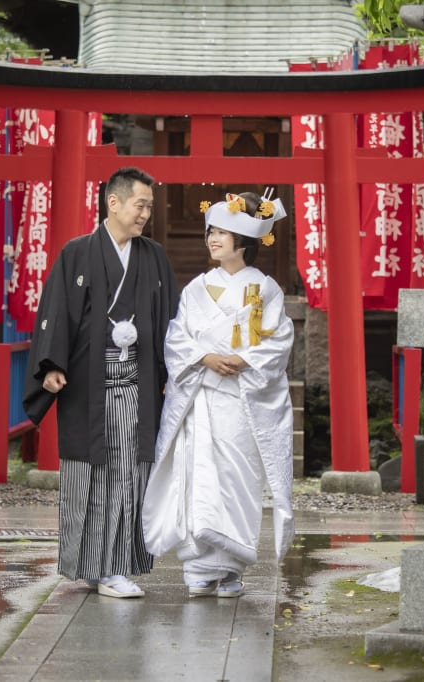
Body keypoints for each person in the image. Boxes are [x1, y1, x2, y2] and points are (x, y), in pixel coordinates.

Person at [23, 166, 179, 599]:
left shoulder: (154, 257)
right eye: (140, 204)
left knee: (129, 473)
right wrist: (51, 365)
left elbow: (172, 322)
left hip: (137, 385)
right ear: (114, 202)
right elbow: (54, 312)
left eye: (150, 206)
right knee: (93, 473)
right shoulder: (77, 253)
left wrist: (173, 373)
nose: (146, 213)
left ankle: (115, 566)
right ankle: (97, 567)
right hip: (90, 387)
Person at [141, 189, 295, 598]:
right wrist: (205, 356)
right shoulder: (195, 289)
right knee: (198, 478)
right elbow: (176, 339)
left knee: (237, 478)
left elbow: (279, 341)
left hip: (240, 402)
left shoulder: (265, 289)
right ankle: (199, 567)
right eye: (211, 231)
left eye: (223, 233)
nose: (213, 239)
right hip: (202, 399)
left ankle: (230, 568)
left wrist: (247, 361)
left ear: (243, 241)